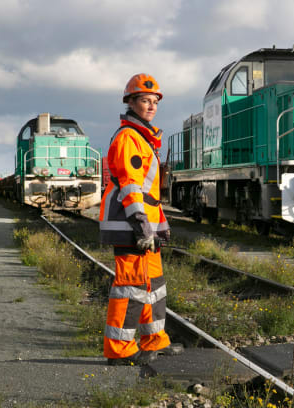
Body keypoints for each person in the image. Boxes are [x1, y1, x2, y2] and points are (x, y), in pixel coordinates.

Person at [99, 73, 181, 366]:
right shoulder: (129, 139)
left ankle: (153, 341)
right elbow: (131, 188)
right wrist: (143, 227)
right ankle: (118, 351)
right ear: (131, 103)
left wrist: (161, 226)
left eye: (154, 101)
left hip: (145, 228)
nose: (151, 106)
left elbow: (150, 195)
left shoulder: (145, 140)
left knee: (153, 285)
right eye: (145, 101)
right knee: (131, 288)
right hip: (130, 227)